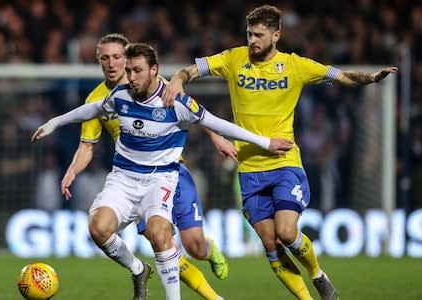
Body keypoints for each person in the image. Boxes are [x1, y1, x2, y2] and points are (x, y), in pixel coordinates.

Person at [162, 5, 398, 300]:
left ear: (276, 35)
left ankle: (318, 275)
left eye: (259, 35)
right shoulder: (234, 59)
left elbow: (341, 76)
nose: (252, 40)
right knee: (271, 246)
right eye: (249, 34)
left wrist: (370, 78)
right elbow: (192, 70)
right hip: (249, 170)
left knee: (287, 233)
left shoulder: (296, 66)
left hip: (284, 162)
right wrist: (179, 78)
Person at [32, 42, 293, 300]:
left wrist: (266, 142)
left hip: (160, 179)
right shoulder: (120, 95)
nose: (131, 77)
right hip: (123, 178)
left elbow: (219, 124)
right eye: (129, 71)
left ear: (154, 70)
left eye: (137, 71)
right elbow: (93, 109)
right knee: (98, 229)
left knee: (163, 235)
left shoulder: (175, 101)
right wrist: (55, 122)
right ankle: (138, 270)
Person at [60, 33, 231, 300]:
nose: (112, 63)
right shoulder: (99, 98)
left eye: (117, 57)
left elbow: (193, 112)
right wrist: (72, 170)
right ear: (98, 61)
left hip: (173, 171)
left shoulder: (155, 84)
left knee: (194, 246)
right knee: (161, 241)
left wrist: (217, 137)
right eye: (105, 58)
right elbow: (87, 146)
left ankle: (208, 250)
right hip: (135, 178)